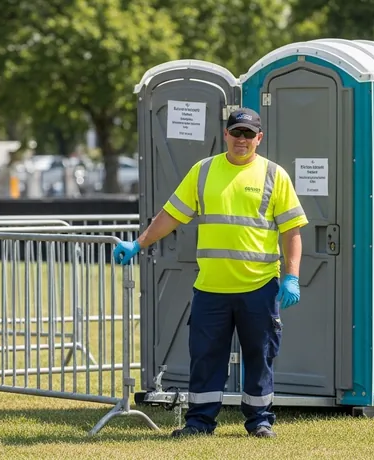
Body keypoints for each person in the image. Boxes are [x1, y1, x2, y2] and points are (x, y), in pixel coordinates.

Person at [112, 107, 307, 438]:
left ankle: (259, 421)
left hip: (258, 287)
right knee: (205, 358)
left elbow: (291, 231)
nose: (241, 139)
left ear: (259, 139)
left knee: (259, 357)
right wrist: (139, 243)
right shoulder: (202, 171)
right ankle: (199, 423)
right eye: (236, 132)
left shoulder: (275, 176)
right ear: (226, 134)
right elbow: (171, 215)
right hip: (211, 289)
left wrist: (291, 276)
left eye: (249, 134)